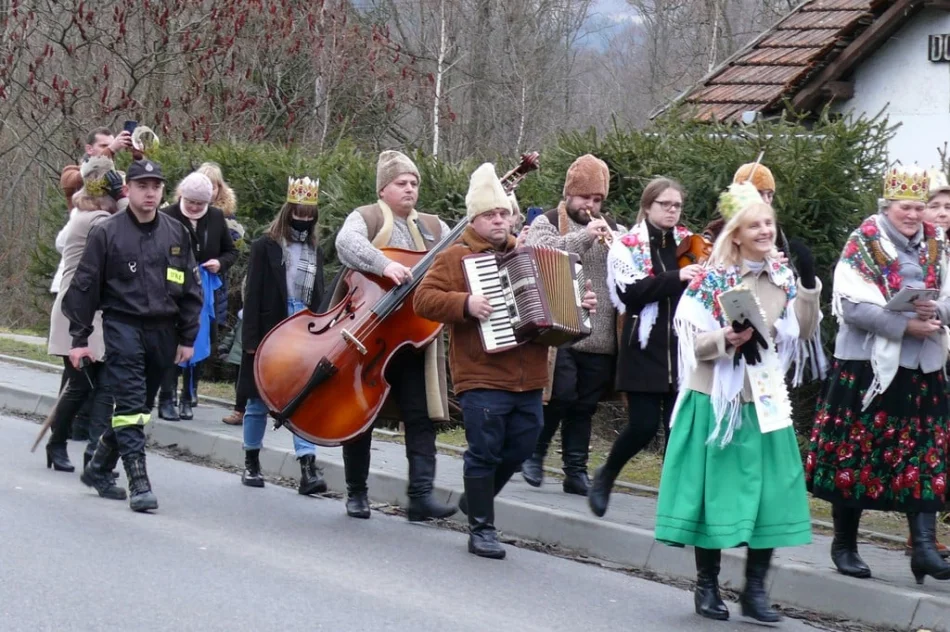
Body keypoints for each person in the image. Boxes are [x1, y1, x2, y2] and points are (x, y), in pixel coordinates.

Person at [654, 181, 822, 622]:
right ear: (737, 234)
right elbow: (689, 339)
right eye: (755, 225)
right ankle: (707, 585)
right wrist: (724, 339)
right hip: (717, 399)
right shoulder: (714, 278)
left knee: (772, 493)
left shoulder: (782, 277)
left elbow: (804, 332)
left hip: (764, 397)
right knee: (712, 494)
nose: (765, 231)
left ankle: (755, 590)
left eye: (769, 223)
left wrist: (808, 285)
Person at [414, 163, 597, 559]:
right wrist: (465, 303)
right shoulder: (454, 257)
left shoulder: (532, 255)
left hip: (529, 376)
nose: (499, 220)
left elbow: (560, 312)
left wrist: (580, 306)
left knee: (522, 445)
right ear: (474, 219)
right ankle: (482, 528)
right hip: (480, 373)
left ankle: (476, 499)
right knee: (484, 450)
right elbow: (423, 300)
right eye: (489, 215)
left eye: (504, 213)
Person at [806, 165, 950, 584]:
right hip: (867, 367)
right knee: (857, 452)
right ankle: (844, 544)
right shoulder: (864, 241)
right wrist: (905, 325)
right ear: (888, 206)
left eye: (919, 207)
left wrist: (936, 312)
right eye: (906, 207)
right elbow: (851, 306)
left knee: (924, 452)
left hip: (923, 367)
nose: (913, 215)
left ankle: (924, 548)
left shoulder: (938, 244)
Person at [63, 158, 203, 512]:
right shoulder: (107, 232)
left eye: (156, 186)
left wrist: (187, 338)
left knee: (140, 408)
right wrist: (79, 340)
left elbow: (190, 290)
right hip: (122, 325)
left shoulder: (176, 233)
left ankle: (98, 466)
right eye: (143, 186)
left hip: (163, 331)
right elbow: (83, 288)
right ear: (129, 189)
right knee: (128, 405)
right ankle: (139, 483)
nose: (150, 193)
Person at [331, 150, 456, 522]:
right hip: (367, 336)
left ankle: (421, 498)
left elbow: (460, 253)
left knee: (420, 417)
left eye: (414, 183)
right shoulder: (366, 216)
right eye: (401, 183)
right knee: (360, 414)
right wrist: (385, 265)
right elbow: (346, 244)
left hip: (413, 340)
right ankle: (357, 493)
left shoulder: (434, 227)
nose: (410, 189)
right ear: (383, 189)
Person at [585, 178, 699, 516]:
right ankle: (607, 474)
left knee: (679, 431)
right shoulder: (627, 245)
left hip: (681, 348)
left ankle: (674, 505)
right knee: (644, 426)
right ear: (648, 206)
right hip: (644, 346)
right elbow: (631, 294)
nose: (672, 211)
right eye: (665, 204)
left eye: (677, 205)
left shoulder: (690, 243)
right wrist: (676, 278)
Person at [518, 155, 616, 496]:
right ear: (569, 194)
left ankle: (575, 471)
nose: (591, 205)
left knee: (585, 406)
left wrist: (619, 247)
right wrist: (584, 237)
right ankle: (535, 452)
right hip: (561, 329)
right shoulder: (547, 221)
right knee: (560, 396)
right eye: (584, 197)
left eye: (597, 199)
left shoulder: (611, 227)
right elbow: (538, 253)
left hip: (600, 333)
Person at [238, 177, 327, 495]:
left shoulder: (315, 250)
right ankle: (251, 462)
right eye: (298, 213)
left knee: (303, 399)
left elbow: (319, 296)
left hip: (303, 327)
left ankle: (308, 467)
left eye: (309, 215)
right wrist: (251, 341)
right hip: (270, 326)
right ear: (288, 211)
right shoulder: (265, 246)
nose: (303, 220)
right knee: (258, 400)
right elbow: (253, 294)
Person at [45, 156, 125, 479]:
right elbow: (124, 230)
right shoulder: (93, 219)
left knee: (102, 384)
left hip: (98, 308)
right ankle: (57, 443)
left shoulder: (95, 214)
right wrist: (123, 199)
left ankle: (94, 454)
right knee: (80, 384)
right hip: (77, 309)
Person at [157, 172, 237, 420]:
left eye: (200, 204)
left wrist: (219, 263)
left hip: (202, 289)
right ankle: (167, 396)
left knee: (197, 340)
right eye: (190, 202)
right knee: (170, 340)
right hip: (170, 289)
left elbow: (230, 252)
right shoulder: (166, 215)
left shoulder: (215, 217)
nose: (194, 207)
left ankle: (188, 396)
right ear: (182, 196)